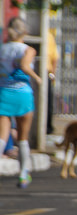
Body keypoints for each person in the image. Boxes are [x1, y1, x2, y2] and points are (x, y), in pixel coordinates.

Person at [0, 17, 43, 187]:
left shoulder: (2, 49)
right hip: (22, 94)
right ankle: (24, 173)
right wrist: (37, 78)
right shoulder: (28, 49)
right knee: (23, 138)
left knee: (2, 135)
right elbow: (25, 66)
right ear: (24, 32)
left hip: (3, 92)